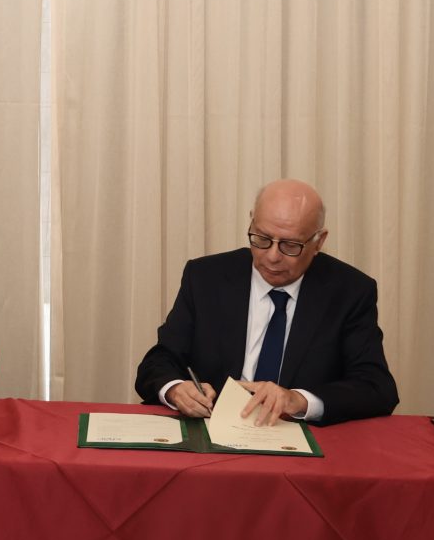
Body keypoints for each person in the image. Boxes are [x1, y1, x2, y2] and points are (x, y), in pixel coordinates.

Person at [134, 179, 398, 426]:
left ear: (319, 241)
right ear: (252, 222)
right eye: (261, 238)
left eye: (290, 245)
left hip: (298, 437)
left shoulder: (350, 291)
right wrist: (176, 389)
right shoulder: (205, 277)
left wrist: (299, 400)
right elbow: (159, 361)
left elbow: (376, 388)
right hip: (212, 432)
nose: (272, 256)